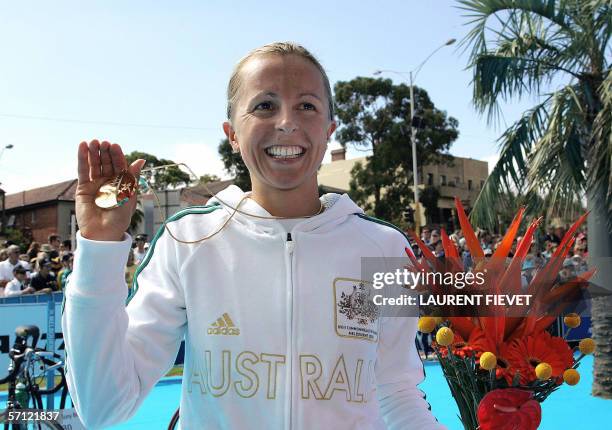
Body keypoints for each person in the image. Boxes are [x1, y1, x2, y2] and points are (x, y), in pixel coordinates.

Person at [62, 42, 445, 429]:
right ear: (231, 133)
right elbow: (103, 405)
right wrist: (99, 248)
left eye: (307, 106)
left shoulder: (383, 248)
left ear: (329, 131)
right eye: (264, 105)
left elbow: (396, 393)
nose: (286, 122)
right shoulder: (188, 240)